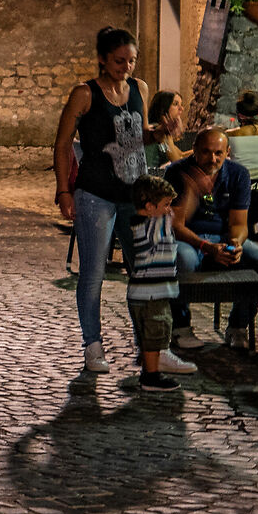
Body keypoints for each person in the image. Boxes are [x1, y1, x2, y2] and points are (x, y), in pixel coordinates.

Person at [53, 26, 149, 375]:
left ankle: (147, 345)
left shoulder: (140, 89)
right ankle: (92, 345)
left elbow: (141, 136)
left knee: (142, 270)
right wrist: (64, 190)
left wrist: (162, 133)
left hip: (134, 195)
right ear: (103, 60)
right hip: (95, 194)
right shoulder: (85, 94)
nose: (126, 67)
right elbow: (63, 144)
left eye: (132, 61)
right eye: (119, 61)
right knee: (93, 274)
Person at [165, 127, 258, 351]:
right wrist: (206, 246)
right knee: (182, 259)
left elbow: (240, 224)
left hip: (221, 237)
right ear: (194, 150)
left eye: (218, 153)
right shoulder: (178, 172)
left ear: (227, 152)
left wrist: (236, 244)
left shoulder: (238, 174)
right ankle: (181, 326)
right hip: (188, 238)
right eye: (206, 152)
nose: (212, 158)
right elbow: (175, 226)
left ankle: (238, 325)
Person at [125, 174, 185, 393]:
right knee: (154, 333)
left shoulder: (149, 225)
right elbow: (173, 219)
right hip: (150, 295)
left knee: (152, 333)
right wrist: (193, 193)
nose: (170, 210)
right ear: (150, 207)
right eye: (166, 205)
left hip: (149, 293)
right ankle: (151, 376)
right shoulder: (149, 227)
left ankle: (149, 371)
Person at [143, 90, 191, 170]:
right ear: (163, 109)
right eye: (176, 104)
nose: (181, 108)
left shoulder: (164, 129)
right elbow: (177, 161)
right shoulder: (158, 129)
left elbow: (181, 155)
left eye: (181, 104)